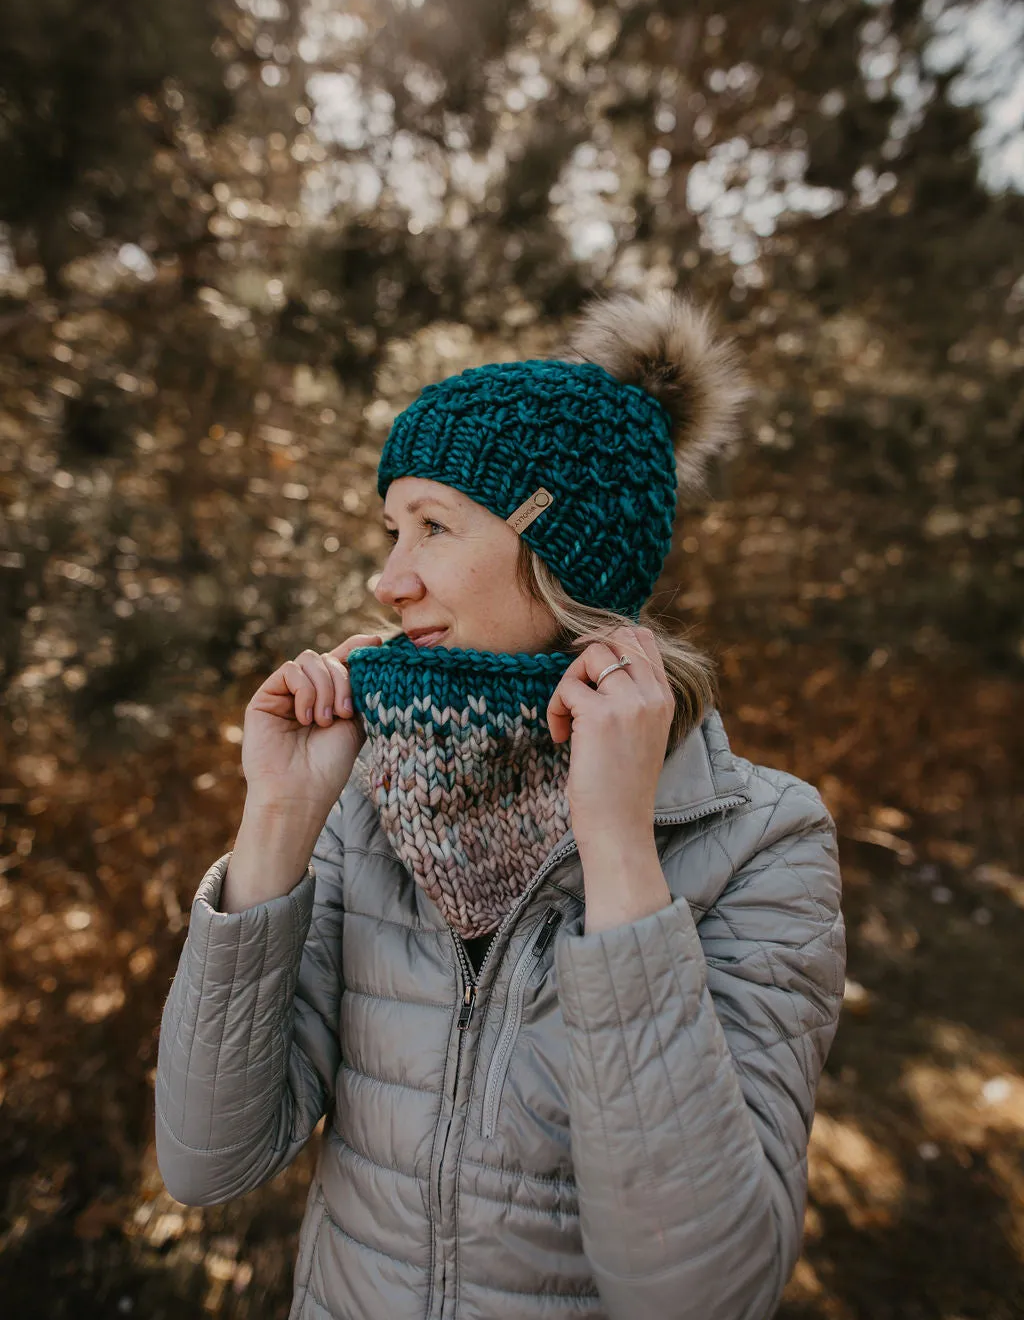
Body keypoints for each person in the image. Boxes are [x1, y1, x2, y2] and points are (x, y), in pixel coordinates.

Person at [155, 288, 846, 1320]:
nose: (389, 580)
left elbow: (706, 1291)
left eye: (433, 526)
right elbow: (207, 1161)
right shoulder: (366, 801)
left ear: (565, 547)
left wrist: (617, 847)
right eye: (392, 528)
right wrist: (278, 824)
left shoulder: (761, 838)